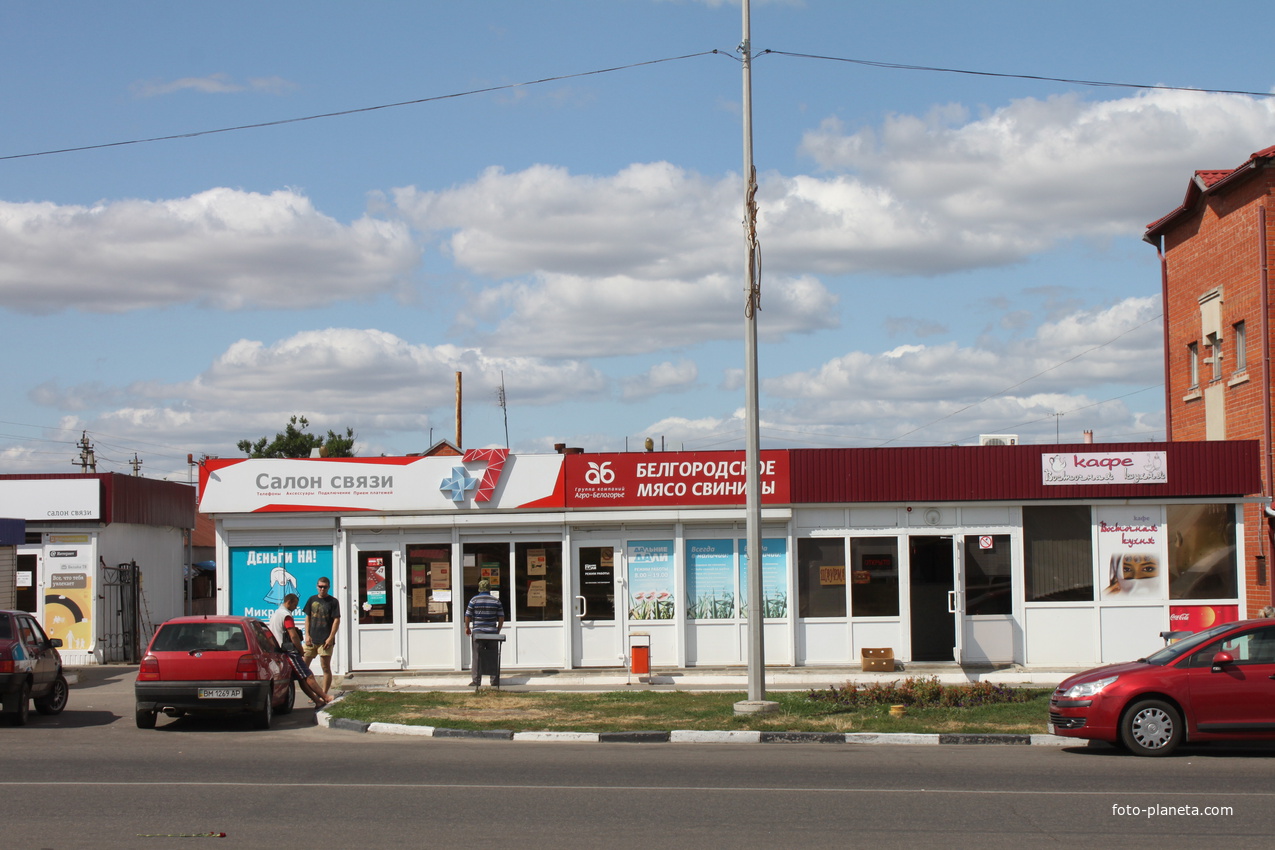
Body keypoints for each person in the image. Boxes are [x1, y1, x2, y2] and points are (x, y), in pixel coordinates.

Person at [269, 594, 332, 708]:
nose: (295, 607)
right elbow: (293, 636)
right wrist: (300, 650)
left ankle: (317, 701)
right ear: (289, 602)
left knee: (302, 678)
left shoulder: (276, 614)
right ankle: (326, 697)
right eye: (295, 604)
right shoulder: (286, 616)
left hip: (279, 651)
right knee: (308, 675)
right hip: (289, 652)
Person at [302, 576, 342, 694]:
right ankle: (312, 692)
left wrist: (330, 638)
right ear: (317, 587)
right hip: (312, 639)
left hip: (325, 641)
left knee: (325, 667)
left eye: (324, 587)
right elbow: (308, 617)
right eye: (320, 587)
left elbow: (336, 620)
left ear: (328, 587)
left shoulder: (333, 602)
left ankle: (323, 694)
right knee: (304, 667)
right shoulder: (312, 599)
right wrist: (307, 635)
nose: (322, 589)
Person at [464, 579, 504, 687]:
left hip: (478, 633)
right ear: (489, 589)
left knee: (477, 656)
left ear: (479, 589)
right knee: (493, 656)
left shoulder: (474, 600)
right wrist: (497, 630)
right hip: (492, 633)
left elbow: (468, 615)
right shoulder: (496, 601)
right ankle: (494, 680)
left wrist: (467, 627)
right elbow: (501, 617)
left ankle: (476, 681)